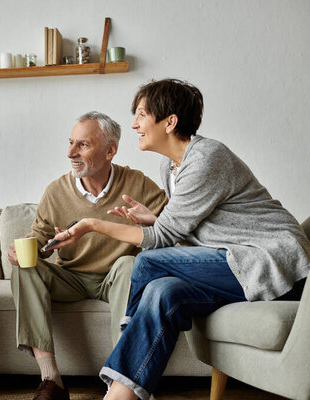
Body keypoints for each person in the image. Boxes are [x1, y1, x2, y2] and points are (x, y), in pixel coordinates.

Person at [46, 79, 310, 400]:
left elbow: (160, 240)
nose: (134, 124)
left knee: (146, 261)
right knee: (161, 290)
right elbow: (188, 229)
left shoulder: (206, 158)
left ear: (170, 122)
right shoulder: (169, 166)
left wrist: (91, 224)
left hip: (272, 261)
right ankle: (120, 396)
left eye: (142, 115)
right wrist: (157, 218)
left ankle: (125, 342)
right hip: (230, 262)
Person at [7, 111, 167, 400]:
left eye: (83, 145)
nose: (71, 153)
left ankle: (123, 381)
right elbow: (39, 236)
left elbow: (173, 229)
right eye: (70, 143)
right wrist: (25, 249)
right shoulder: (56, 191)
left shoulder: (138, 185)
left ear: (110, 150)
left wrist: (150, 222)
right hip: (70, 277)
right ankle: (51, 380)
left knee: (130, 263)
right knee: (24, 268)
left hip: (116, 277)